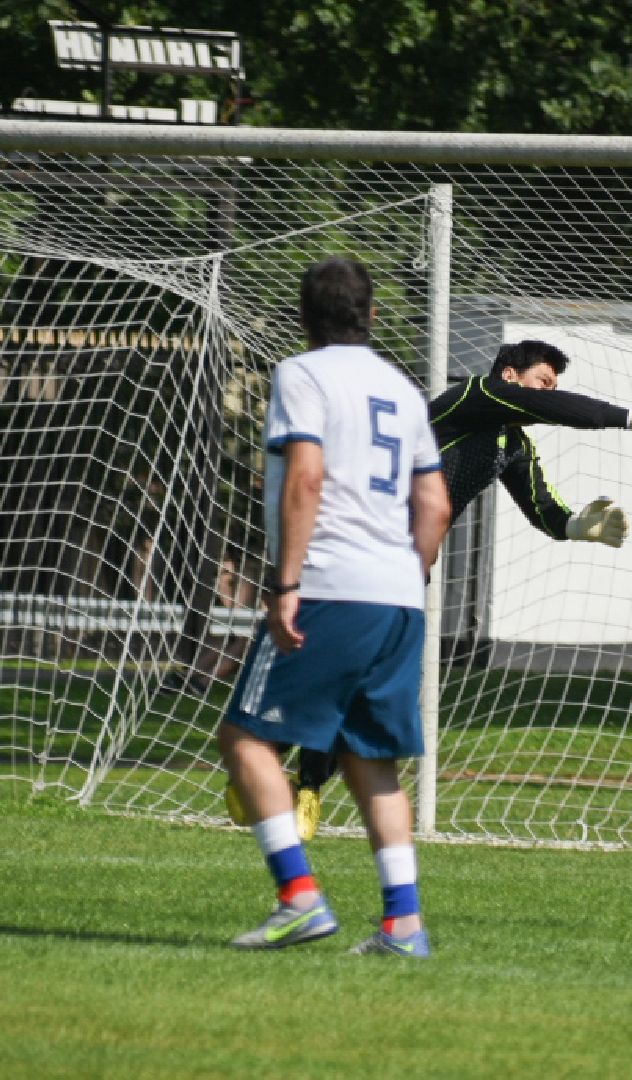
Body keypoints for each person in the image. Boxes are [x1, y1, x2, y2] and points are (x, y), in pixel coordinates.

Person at [289, 338, 632, 838]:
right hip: (356, 543)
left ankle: (300, 785)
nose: (550, 394)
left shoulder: (512, 445)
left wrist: (576, 525)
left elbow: (544, 510)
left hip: (403, 569)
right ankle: (278, 772)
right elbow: (554, 409)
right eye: (543, 382)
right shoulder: (475, 396)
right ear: (511, 378)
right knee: (331, 672)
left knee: (359, 688)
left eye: (555, 386)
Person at [216, 256, 453, 957]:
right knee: (367, 759)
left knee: (246, 739)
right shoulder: (405, 390)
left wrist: (285, 583)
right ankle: (403, 926)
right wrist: (404, 574)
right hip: (398, 598)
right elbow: (434, 504)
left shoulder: (302, 373)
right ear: (371, 315)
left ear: (303, 317)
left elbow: (307, 477)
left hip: (327, 585)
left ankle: (300, 898)